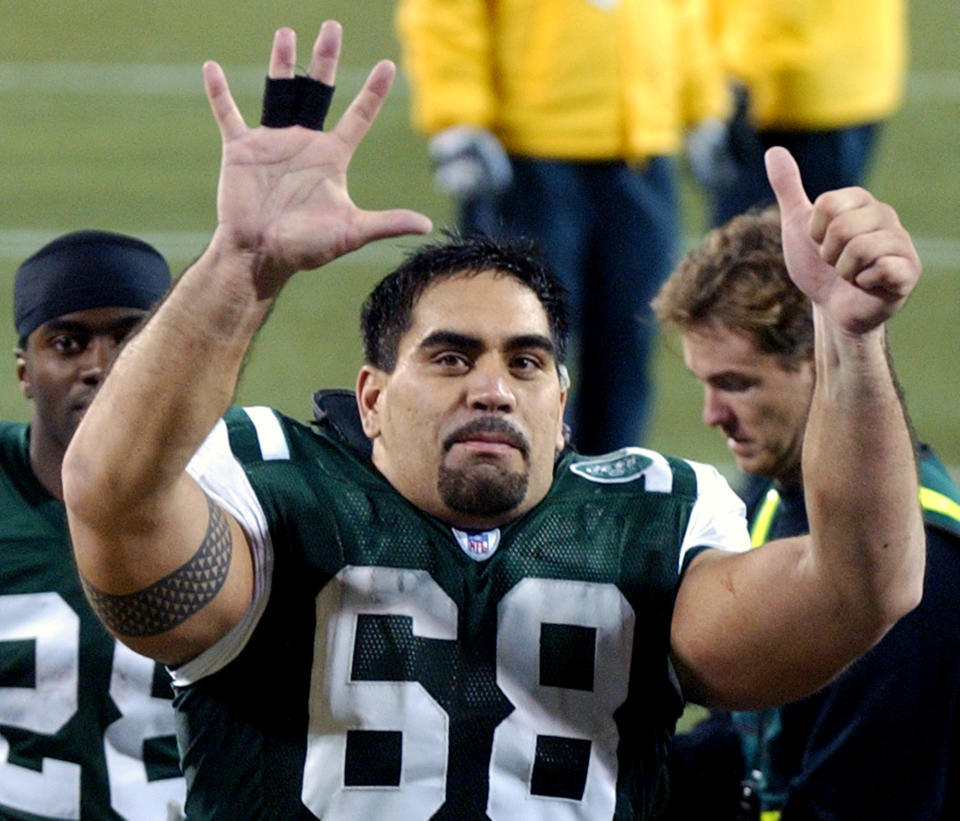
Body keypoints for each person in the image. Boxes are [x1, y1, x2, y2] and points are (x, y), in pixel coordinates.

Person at [60, 22, 924, 819]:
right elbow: (114, 498)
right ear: (370, 398)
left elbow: (861, 589)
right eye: (449, 356)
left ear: (560, 407)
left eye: (526, 360)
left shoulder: (649, 525)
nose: (492, 387)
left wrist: (850, 339)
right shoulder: (279, 507)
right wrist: (238, 267)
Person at [652, 206, 960, 819]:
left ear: (821, 362)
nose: (711, 414)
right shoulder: (780, 500)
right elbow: (752, 740)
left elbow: (865, 804)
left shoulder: (915, 568)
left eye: (737, 383)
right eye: (703, 383)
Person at [395, 0, 729, 454]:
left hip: (642, 155)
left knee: (628, 342)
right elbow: (447, 10)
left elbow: (685, 11)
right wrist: (458, 118)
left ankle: (610, 498)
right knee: (519, 347)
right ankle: (520, 505)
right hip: (529, 156)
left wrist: (700, 104)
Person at [0, 230, 185, 819]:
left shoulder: (249, 493)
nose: (100, 367)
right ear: (26, 371)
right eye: (69, 342)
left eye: (131, 337)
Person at [688, 0, 907, 227]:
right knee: (817, 242)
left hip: (796, 85)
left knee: (756, 249)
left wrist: (718, 86)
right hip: (841, 69)